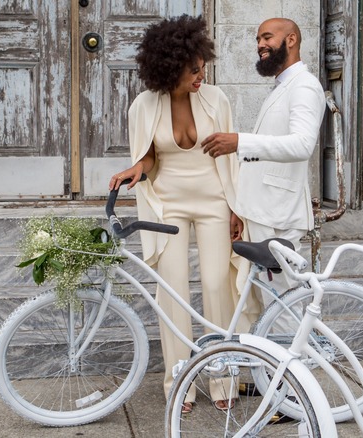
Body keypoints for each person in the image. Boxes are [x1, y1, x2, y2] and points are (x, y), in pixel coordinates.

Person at [108, 15, 244, 413]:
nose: (201, 75)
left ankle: (223, 377)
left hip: (214, 202)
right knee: (172, 291)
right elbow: (148, 156)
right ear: (169, 68)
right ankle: (179, 382)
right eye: (193, 70)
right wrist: (137, 168)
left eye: (203, 66)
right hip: (167, 204)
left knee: (218, 285)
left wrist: (236, 207)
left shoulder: (217, 100)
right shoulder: (145, 105)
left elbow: (232, 162)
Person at [201, 18, 326, 316]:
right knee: (271, 306)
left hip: (278, 215)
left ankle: (291, 363)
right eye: (258, 39)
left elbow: (301, 146)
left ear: (291, 39)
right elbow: (265, 160)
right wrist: (240, 209)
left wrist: (240, 142)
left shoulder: (305, 86)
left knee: (281, 308)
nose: (260, 45)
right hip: (261, 211)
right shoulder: (282, 86)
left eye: (267, 37)